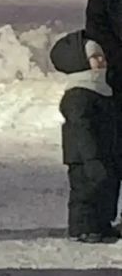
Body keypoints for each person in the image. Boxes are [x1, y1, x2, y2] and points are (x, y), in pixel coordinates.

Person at [51, 30, 120, 243]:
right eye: (95, 57)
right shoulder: (78, 94)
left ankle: (102, 224)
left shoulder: (102, 89)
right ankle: (82, 228)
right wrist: (90, 158)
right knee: (85, 192)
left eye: (101, 56)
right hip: (83, 156)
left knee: (106, 189)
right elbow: (81, 130)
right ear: (79, 63)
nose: (101, 61)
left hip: (104, 151)